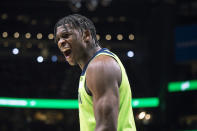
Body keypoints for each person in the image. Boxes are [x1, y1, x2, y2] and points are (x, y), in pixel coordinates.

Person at [54, 14, 136, 131]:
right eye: (58, 39)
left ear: (86, 35)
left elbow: (106, 127)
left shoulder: (100, 66)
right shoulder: (94, 67)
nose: (60, 42)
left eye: (66, 36)